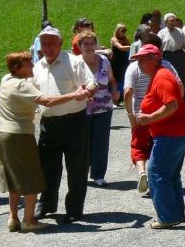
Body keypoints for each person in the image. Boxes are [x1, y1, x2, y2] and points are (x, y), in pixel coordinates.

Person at [0, 52, 86, 233]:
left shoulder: (7, 79)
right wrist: (75, 94)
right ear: (17, 68)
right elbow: (48, 101)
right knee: (31, 176)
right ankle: (29, 220)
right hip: (18, 135)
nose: (33, 67)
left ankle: (13, 217)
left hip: (0, 132)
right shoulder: (21, 85)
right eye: (28, 64)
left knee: (13, 177)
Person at [32, 26, 97, 224]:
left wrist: (88, 91)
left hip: (74, 122)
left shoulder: (74, 62)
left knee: (77, 168)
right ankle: (47, 204)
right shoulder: (37, 66)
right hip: (48, 124)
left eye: (52, 42)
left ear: (60, 44)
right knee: (47, 168)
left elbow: (91, 83)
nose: (48, 47)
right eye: (44, 43)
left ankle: (74, 209)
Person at [133, 44, 185, 229]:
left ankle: (168, 217)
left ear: (155, 58)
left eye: (143, 59)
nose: (139, 63)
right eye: (138, 60)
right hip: (177, 131)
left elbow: (172, 105)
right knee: (170, 174)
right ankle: (175, 214)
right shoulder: (159, 75)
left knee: (156, 173)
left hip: (171, 133)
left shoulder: (161, 77)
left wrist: (148, 118)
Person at [124, 33, 183, 194]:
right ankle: (153, 179)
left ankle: (142, 171)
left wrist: (130, 114)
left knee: (139, 147)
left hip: (141, 115)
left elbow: (128, 92)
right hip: (162, 115)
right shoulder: (166, 66)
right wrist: (178, 105)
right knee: (157, 148)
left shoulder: (134, 67)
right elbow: (179, 85)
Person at [78, 30, 119, 187]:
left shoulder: (103, 60)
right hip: (83, 108)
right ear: (79, 46)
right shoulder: (76, 62)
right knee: (84, 142)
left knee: (101, 141)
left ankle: (98, 174)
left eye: (92, 43)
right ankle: (82, 171)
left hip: (104, 107)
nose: (89, 47)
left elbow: (112, 80)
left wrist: (115, 91)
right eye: (86, 44)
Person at [158, 13, 185, 106]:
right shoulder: (161, 33)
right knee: (169, 78)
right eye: (171, 21)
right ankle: (170, 100)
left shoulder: (180, 31)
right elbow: (160, 47)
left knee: (183, 77)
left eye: (174, 21)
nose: (173, 23)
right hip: (167, 56)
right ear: (166, 22)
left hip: (179, 55)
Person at [110, 23, 131, 104]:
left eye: (125, 31)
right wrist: (133, 46)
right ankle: (115, 99)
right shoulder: (114, 39)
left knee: (124, 78)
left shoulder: (126, 38)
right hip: (116, 61)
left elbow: (128, 47)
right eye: (122, 31)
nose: (124, 33)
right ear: (118, 31)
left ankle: (123, 96)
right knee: (116, 79)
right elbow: (121, 48)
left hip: (124, 61)